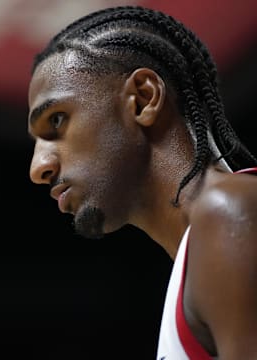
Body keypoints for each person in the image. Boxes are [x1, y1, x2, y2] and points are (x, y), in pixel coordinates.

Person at [27, 5, 257, 359]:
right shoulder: (199, 251)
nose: (38, 166)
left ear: (144, 98)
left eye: (57, 121)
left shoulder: (229, 212)